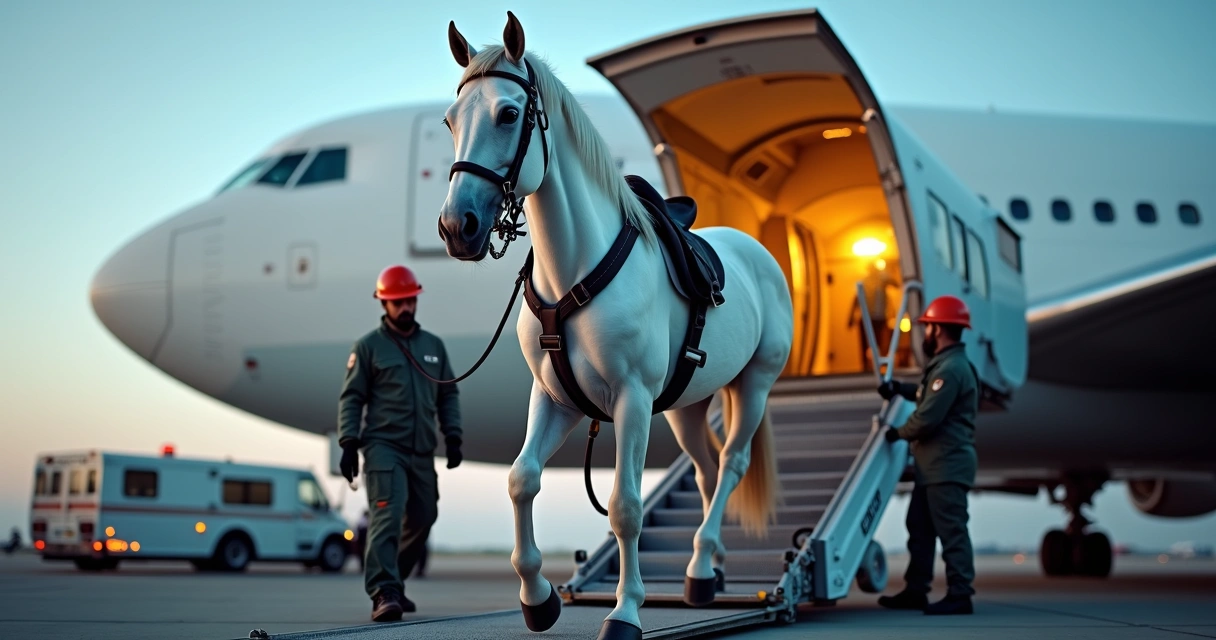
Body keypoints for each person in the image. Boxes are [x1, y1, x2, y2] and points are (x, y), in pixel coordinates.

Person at [338, 264, 463, 622]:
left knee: (424, 516)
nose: (406, 307)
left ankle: (395, 581)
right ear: (384, 304)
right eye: (398, 302)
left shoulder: (433, 347)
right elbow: (351, 398)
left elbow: (448, 395)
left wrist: (453, 435)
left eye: (410, 300)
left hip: (422, 449)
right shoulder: (368, 348)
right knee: (386, 516)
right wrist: (348, 441)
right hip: (383, 447)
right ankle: (383, 591)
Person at [876, 294, 979, 616]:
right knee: (919, 527)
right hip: (933, 467)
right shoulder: (946, 367)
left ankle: (960, 594)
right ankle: (916, 590)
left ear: (939, 329)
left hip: (946, 466)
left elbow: (928, 416)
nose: (925, 333)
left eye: (929, 326)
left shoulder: (951, 369)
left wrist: (896, 433)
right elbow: (924, 393)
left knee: (951, 531)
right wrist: (898, 388)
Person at [849, 259, 898, 371]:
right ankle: (866, 367)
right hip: (868, 318)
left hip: (877, 318)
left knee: (878, 344)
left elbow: (895, 283)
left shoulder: (881, 279)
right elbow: (856, 298)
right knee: (868, 344)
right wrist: (851, 317)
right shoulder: (864, 281)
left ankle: (877, 366)